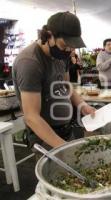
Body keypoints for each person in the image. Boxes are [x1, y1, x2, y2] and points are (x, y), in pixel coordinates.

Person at [12, 11, 96, 148]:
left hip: (66, 129)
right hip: (44, 136)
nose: (69, 50)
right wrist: (63, 147)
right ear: (49, 36)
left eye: (72, 46)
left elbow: (65, 85)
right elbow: (31, 116)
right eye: (65, 45)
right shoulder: (30, 62)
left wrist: (82, 105)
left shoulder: (62, 56)